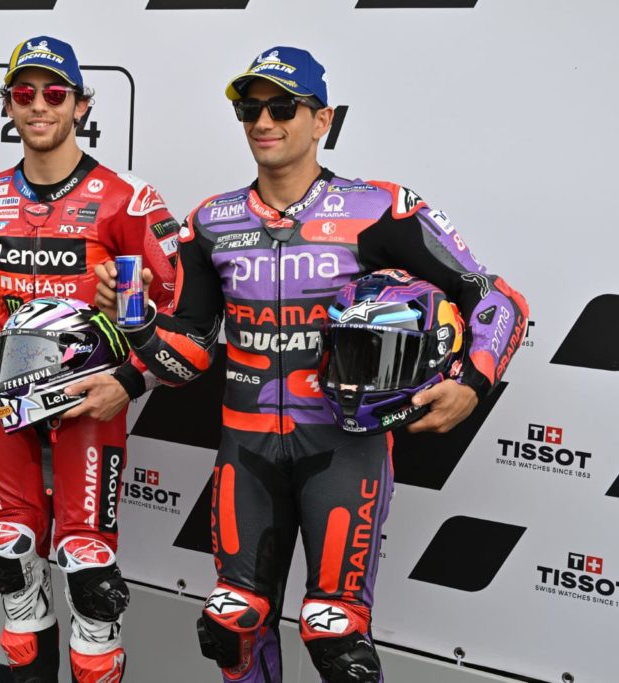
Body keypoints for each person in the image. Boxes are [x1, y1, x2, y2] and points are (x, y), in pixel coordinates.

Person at [93, 46, 528, 683]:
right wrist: (136, 322)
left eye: (282, 107)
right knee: (231, 627)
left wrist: (473, 383)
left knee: (337, 639)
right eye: (250, 109)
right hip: (246, 450)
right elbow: (189, 355)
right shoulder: (210, 222)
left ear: (322, 119)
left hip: (342, 450)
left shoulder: (380, 207)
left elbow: (495, 297)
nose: (263, 122)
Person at [0, 36, 178, 683]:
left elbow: (178, 314)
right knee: (8, 557)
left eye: (54, 93)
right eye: (24, 93)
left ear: (80, 105)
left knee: (89, 575)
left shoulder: (127, 198)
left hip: (90, 402)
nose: (39, 105)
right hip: (8, 401)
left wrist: (130, 368)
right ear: (7, 104)